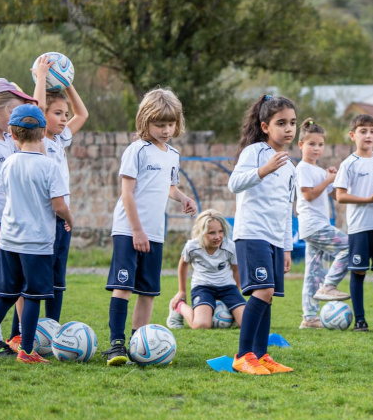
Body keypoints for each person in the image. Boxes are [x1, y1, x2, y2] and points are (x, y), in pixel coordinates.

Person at [104, 89, 197, 365]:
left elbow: (168, 187)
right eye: (159, 124)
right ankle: (116, 345)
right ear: (145, 121)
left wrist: (182, 197)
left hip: (155, 233)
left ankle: (137, 344)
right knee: (123, 287)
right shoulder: (136, 151)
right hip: (129, 230)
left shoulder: (172, 154)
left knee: (148, 292)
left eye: (170, 124)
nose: (166, 130)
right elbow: (127, 193)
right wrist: (136, 230)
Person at [0, 104, 73, 363]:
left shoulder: (8, 164)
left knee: (6, 295)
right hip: (36, 244)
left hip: (8, 241)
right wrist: (70, 219)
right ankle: (27, 352)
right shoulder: (49, 166)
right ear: (43, 134)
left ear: (13, 135)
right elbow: (59, 205)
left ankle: (21, 348)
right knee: (32, 296)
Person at [227, 95, 298, 375]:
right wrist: (263, 170)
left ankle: (260, 355)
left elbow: (285, 210)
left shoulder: (291, 167)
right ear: (266, 126)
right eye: (281, 123)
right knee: (263, 290)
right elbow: (234, 183)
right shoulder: (255, 152)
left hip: (274, 240)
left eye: (292, 122)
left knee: (268, 296)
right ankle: (243, 356)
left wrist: (287, 247)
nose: (289, 128)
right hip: (251, 233)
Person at [32, 54, 90, 323]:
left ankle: (52, 327)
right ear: (43, 116)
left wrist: (67, 83)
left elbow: (83, 114)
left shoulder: (61, 139)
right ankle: (22, 333)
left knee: (57, 278)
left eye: (65, 114)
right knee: (35, 279)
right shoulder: (40, 138)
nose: (65, 119)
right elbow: (37, 112)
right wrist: (42, 77)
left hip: (61, 220)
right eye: (58, 113)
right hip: (45, 217)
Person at [335, 114, 373, 332]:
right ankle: (360, 319)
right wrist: (367, 199)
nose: (368, 135)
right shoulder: (348, 164)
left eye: (372, 131)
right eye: (363, 131)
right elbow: (340, 196)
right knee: (358, 272)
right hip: (359, 227)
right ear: (353, 135)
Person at [0, 80, 39, 357]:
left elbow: (37, 113)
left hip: (11, 225)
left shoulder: (9, 141)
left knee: (7, 287)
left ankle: (5, 340)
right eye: (12, 109)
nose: (15, 117)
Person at [295, 119, 351, 329]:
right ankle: (329, 285)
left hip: (316, 225)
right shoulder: (302, 168)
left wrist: (336, 178)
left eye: (320, 144)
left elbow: (336, 195)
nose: (316, 148)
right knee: (348, 246)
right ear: (301, 145)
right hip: (313, 225)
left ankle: (309, 318)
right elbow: (308, 195)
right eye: (311, 144)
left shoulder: (319, 171)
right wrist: (327, 180)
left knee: (312, 272)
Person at [167, 209, 245, 329]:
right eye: (211, 233)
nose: (217, 237)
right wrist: (181, 291)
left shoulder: (230, 247)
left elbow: (236, 269)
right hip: (203, 287)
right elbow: (183, 265)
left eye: (220, 232)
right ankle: (179, 307)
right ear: (201, 232)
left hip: (228, 288)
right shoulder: (192, 247)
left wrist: (237, 292)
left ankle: (227, 309)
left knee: (247, 323)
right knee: (201, 325)